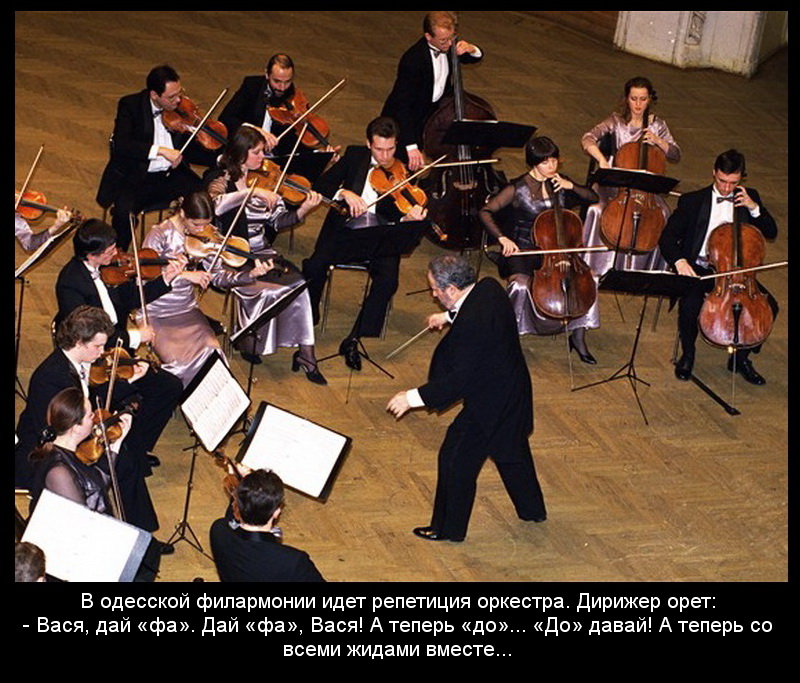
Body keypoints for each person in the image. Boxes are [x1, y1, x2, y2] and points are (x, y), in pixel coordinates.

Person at [386, 255, 546, 542]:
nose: (433, 294)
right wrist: (447, 316)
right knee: (512, 453)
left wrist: (411, 398)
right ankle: (532, 510)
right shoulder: (488, 287)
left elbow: (457, 382)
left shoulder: (472, 326)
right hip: (513, 392)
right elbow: (473, 312)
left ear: (451, 289)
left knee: (455, 459)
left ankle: (447, 530)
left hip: (489, 405)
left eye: (435, 289)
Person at [15, 306, 163, 538]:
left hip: (71, 432)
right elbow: (54, 430)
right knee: (122, 462)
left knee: (127, 453)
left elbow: (92, 394)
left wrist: (129, 381)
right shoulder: (51, 378)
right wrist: (99, 434)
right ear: (78, 342)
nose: (102, 352)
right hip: (44, 451)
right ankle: (134, 534)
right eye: (97, 346)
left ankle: (141, 532)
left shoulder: (79, 363)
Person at [55, 218, 185, 466]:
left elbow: (132, 298)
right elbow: (87, 338)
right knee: (127, 393)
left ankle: (136, 448)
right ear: (92, 255)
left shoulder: (111, 270)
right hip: (94, 362)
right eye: (110, 249)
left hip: (118, 349)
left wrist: (166, 279)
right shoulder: (71, 284)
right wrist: (135, 336)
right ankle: (117, 452)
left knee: (169, 386)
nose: (116, 253)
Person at [303, 116, 428, 372]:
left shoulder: (402, 168)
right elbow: (321, 185)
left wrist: (407, 219)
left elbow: (400, 208)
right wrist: (344, 193)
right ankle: (309, 313)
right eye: (379, 149)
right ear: (368, 144)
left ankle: (354, 339)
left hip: (381, 233)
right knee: (315, 266)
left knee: (388, 281)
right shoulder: (354, 157)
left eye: (391, 149)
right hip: (346, 229)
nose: (385, 156)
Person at [205, 126, 326, 383]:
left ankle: (306, 355)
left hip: (263, 251)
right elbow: (213, 206)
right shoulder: (219, 178)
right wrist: (251, 193)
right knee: (268, 291)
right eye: (257, 152)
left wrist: (303, 210)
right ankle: (248, 339)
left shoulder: (267, 180)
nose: (264, 157)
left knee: (299, 284)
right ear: (241, 154)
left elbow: (279, 222)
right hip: (234, 254)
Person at [659, 149, 778, 384]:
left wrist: (754, 208)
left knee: (770, 306)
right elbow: (667, 238)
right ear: (714, 172)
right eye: (722, 181)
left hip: (737, 273)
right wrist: (680, 262)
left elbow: (771, 232)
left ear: (741, 178)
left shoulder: (749, 197)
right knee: (690, 306)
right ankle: (688, 355)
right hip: (700, 268)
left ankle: (740, 359)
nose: (726, 188)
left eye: (733, 183)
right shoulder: (692, 201)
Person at [580, 77, 682, 347]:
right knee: (597, 210)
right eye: (634, 98)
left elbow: (675, 154)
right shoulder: (615, 121)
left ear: (650, 100)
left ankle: (650, 271)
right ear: (627, 98)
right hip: (615, 186)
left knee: (664, 214)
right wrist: (602, 160)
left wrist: (658, 141)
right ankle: (593, 265)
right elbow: (587, 138)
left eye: (643, 99)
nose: (638, 104)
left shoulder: (658, 124)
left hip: (645, 190)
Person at [479, 136, 599, 360]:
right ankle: (510, 334)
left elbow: (593, 197)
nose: (552, 166)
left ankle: (578, 336)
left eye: (554, 161)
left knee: (589, 279)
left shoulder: (560, 182)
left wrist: (571, 186)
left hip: (556, 250)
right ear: (534, 163)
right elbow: (485, 212)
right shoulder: (516, 188)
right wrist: (503, 238)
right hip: (523, 250)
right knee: (520, 286)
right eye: (545, 162)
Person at [28, 387, 163, 580]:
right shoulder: (59, 473)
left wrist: (116, 445)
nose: (96, 418)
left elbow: (94, 482)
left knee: (149, 548)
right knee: (146, 556)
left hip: (79, 534)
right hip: (72, 552)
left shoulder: (62, 450)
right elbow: (84, 526)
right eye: (90, 415)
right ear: (76, 427)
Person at [143, 191, 270, 387]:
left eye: (206, 224)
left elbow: (218, 278)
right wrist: (184, 274)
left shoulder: (206, 236)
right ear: (183, 214)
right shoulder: (159, 234)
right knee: (180, 364)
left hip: (185, 308)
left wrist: (250, 275)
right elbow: (144, 278)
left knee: (213, 353)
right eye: (196, 224)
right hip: (155, 310)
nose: (202, 230)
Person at [96, 64, 205, 250]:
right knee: (123, 214)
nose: (179, 100)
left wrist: (218, 153)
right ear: (154, 95)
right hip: (137, 177)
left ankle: (199, 250)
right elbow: (123, 144)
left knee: (203, 198)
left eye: (180, 93)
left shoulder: (181, 110)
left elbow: (191, 150)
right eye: (171, 97)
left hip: (171, 176)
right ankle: (117, 257)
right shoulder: (130, 106)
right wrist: (160, 151)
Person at [381, 10, 482, 171]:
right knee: (397, 169)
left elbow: (474, 57)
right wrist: (411, 146)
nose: (449, 44)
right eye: (443, 41)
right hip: (403, 123)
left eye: (452, 37)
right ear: (428, 37)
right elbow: (403, 106)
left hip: (429, 118)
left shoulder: (449, 45)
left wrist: (471, 48)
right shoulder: (413, 60)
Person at [210, 468, 325, 582]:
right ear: (276, 512)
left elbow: (231, 517)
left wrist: (243, 483)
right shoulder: (294, 562)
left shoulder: (218, 531)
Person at [220, 53, 335, 158]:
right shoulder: (252, 86)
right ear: (267, 74)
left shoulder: (294, 98)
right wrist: (254, 130)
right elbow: (226, 118)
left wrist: (321, 154)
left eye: (288, 81)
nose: (282, 88)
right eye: (277, 81)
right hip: (246, 153)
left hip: (274, 158)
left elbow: (296, 144)